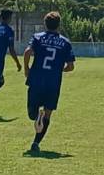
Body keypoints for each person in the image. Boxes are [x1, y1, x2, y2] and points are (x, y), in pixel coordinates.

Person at [23, 11, 76, 154]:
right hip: (53, 82)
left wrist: (27, 68)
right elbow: (71, 66)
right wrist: (60, 69)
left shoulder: (37, 37)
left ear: (45, 24)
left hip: (36, 78)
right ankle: (36, 142)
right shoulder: (65, 42)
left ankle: (35, 115)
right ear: (59, 25)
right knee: (48, 114)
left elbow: (27, 52)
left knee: (31, 113)